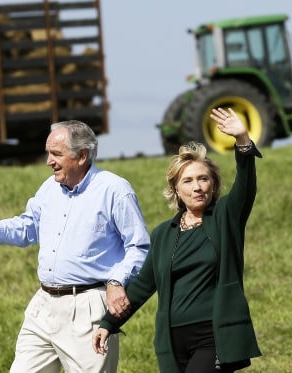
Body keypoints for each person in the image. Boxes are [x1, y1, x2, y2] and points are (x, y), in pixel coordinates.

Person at [0, 120, 150, 372]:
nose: (48, 161)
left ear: (81, 156)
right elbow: (28, 226)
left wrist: (117, 282)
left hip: (88, 311)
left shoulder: (114, 190)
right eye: (48, 153)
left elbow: (139, 246)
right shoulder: (49, 188)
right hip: (43, 306)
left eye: (56, 154)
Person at [92, 107, 263, 372]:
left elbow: (246, 183)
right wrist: (108, 324)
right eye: (188, 181)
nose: (197, 187)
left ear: (213, 184)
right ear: (176, 190)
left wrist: (242, 140)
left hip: (213, 336)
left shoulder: (225, 217)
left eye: (203, 179)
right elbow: (141, 287)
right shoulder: (163, 234)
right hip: (172, 341)